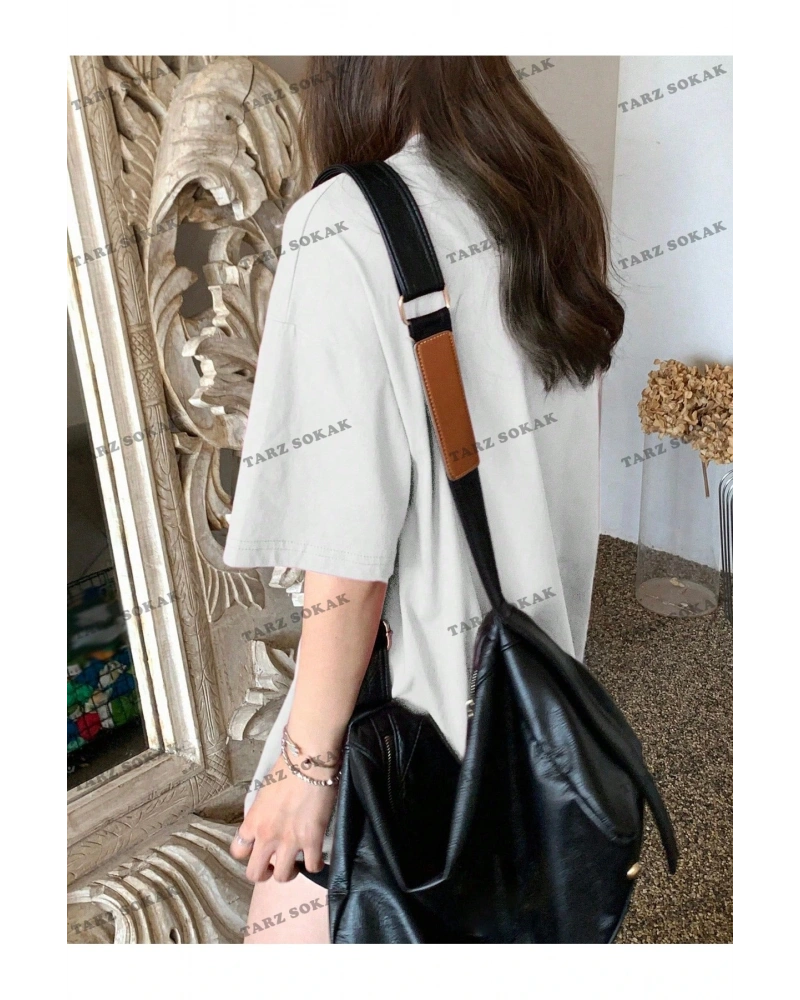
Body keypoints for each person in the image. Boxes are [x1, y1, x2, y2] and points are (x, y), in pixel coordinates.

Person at [223, 55, 624, 944]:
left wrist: (306, 767)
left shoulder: (343, 224)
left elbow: (349, 557)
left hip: (407, 727)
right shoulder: (546, 193)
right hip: (538, 695)